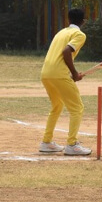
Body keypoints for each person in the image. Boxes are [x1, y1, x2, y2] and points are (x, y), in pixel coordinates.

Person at [39, 8, 92, 156]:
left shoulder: (61, 32)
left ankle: (46, 142)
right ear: (83, 21)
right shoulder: (79, 34)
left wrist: (72, 73)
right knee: (77, 108)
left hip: (46, 73)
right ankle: (72, 144)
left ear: (68, 20)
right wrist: (74, 73)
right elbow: (66, 52)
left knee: (57, 106)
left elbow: (59, 55)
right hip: (58, 74)